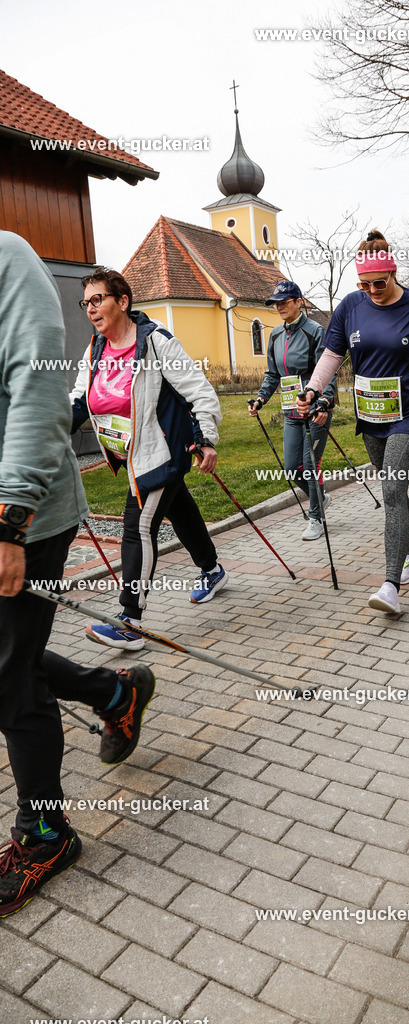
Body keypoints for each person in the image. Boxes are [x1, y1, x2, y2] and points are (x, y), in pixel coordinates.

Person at [0, 232, 155, 916]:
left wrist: (10, 518)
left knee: (7, 674)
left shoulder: (9, 260)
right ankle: (113, 692)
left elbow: (37, 387)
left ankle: (44, 834)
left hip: (22, 510)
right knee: (13, 658)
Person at [296, 230, 409, 615]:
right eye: (364, 284)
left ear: (393, 273)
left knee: (391, 491)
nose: (372, 290)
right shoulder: (350, 306)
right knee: (395, 490)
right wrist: (312, 389)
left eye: (379, 282)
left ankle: (391, 584)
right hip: (371, 413)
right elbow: (331, 354)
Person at [71, 268, 223, 651]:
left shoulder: (155, 343)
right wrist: (48, 428)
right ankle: (212, 569)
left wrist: (206, 438)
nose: (90, 309)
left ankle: (130, 621)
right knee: (179, 510)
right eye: (85, 303)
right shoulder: (95, 350)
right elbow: (77, 401)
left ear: (122, 301)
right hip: (132, 452)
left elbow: (199, 393)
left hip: (162, 452)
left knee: (138, 526)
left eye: (97, 299)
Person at [249, 280, 335, 541]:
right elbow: (272, 374)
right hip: (290, 411)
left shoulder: (315, 331)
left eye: (285, 302)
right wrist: (260, 399)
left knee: (309, 465)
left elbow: (327, 371)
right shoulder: (275, 335)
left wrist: (325, 401)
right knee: (291, 468)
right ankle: (320, 497)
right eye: (277, 303)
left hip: (315, 410)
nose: (280, 307)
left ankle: (316, 518)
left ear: (299, 302)